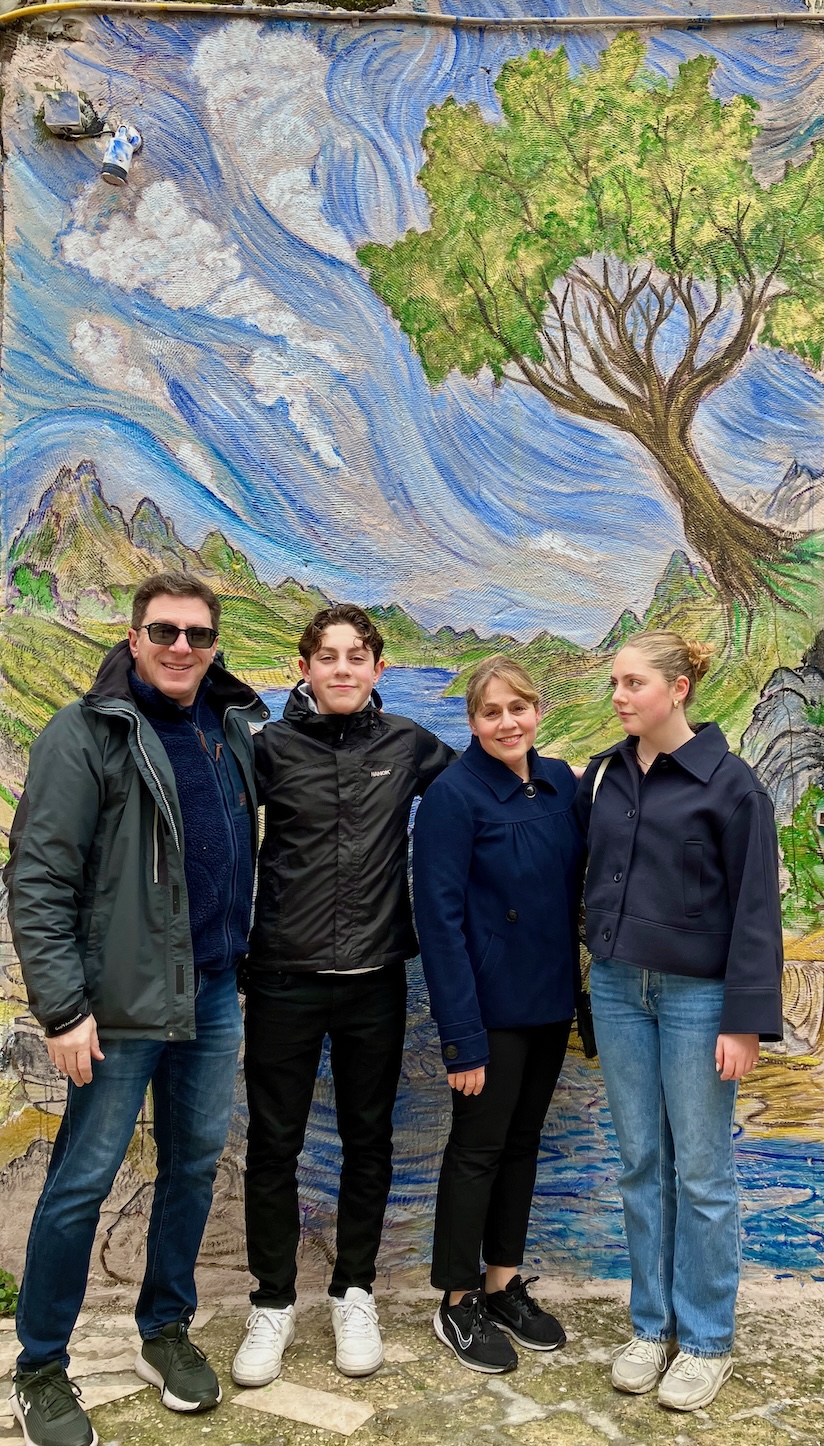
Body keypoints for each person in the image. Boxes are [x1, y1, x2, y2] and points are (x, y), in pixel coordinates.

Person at [4, 571, 268, 1446]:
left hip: (213, 991)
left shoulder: (227, 729)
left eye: (197, 634)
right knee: (81, 1182)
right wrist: (62, 1009)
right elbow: (38, 877)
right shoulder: (85, 734)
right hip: (116, 1006)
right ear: (134, 637)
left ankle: (164, 1329)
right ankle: (42, 1367)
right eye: (164, 631)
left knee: (192, 1168)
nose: (181, 647)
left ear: (215, 646)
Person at [231, 603, 457, 1388]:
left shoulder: (408, 744)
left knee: (369, 1142)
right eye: (327, 656)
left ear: (377, 669)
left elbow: (481, 796)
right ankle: (272, 1303)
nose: (341, 669)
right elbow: (217, 831)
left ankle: (353, 1292)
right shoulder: (268, 748)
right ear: (304, 668)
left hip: (375, 979)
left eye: (356, 656)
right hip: (282, 978)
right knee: (274, 1146)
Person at [576, 631, 784, 1413]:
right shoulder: (605, 775)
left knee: (701, 1172)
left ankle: (704, 1341)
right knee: (640, 1164)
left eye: (633, 683)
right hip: (618, 990)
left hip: (700, 1001)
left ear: (679, 688)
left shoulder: (733, 787)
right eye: (616, 683)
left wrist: (744, 1021)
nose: (619, 696)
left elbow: (757, 909)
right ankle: (650, 1326)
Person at [412, 656, 585, 1374]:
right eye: (492, 712)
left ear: (537, 711)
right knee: (477, 1150)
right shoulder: (453, 798)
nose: (508, 723)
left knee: (522, 1145)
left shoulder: (562, 783)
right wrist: (462, 1038)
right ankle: (456, 1301)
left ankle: (501, 1283)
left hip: (548, 1003)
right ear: (472, 722)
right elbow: (439, 924)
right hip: (487, 1013)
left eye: (519, 708)